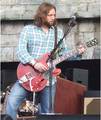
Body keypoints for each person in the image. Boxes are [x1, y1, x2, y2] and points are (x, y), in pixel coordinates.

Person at [5, 2, 85, 120]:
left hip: (47, 78)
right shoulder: (28, 30)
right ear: (42, 15)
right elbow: (21, 51)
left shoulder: (58, 33)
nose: (53, 17)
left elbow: (63, 54)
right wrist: (35, 63)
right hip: (28, 75)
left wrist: (77, 53)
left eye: (54, 15)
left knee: (47, 112)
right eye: (50, 15)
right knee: (11, 102)